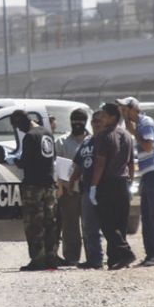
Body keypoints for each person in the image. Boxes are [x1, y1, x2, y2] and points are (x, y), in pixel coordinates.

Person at [116, 96, 154, 267]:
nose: (123, 112)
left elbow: (147, 146)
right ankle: (152, 253)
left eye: (125, 109)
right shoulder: (138, 125)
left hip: (153, 171)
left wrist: (134, 132)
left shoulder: (145, 123)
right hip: (148, 173)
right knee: (147, 214)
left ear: (133, 109)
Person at [6, 110, 59, 271]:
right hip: (49, 186)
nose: (19, 130)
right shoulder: (47, 133)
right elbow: (53, 157)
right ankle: (51, 257)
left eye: (17, 126)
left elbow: (25, 162)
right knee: (50, 223)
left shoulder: (30, 136)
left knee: (34, 224)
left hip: (33, 187)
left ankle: (38, 260)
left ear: (21, 121)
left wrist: (14, 160)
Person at [90, 103, 137, 270]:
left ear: (112, 117)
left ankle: (125, 252)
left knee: (106, 222)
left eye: (103, 115)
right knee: (120, 223)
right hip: (123, 182)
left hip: (107, 183)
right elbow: (131, 163)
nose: (101, 118)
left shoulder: (104, 136)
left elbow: (100, 164)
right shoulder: (126, 135)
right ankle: (115, 259)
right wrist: (131, 182)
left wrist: (93, 186)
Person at [69, 110, 104, 269]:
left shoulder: (108, 139)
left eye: (99, 121)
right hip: (87, 189)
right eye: (94, 121)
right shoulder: (87, 141)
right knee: (89, 226)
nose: (96, 124)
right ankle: (94, 259)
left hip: (105, 189)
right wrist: (72, 181)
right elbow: (79, 164)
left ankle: (115, 257)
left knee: (108, 225)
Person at [54, 108, 89, 266]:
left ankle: (93, 257)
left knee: (90, 225)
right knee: (70, 226)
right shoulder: (61, 142)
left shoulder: (92, 140)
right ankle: (72, 257)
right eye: (74, 119)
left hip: (89, 189)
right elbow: (56, 167)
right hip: (69, 190)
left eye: (81, 120)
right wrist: (60, 187)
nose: (77, 123)